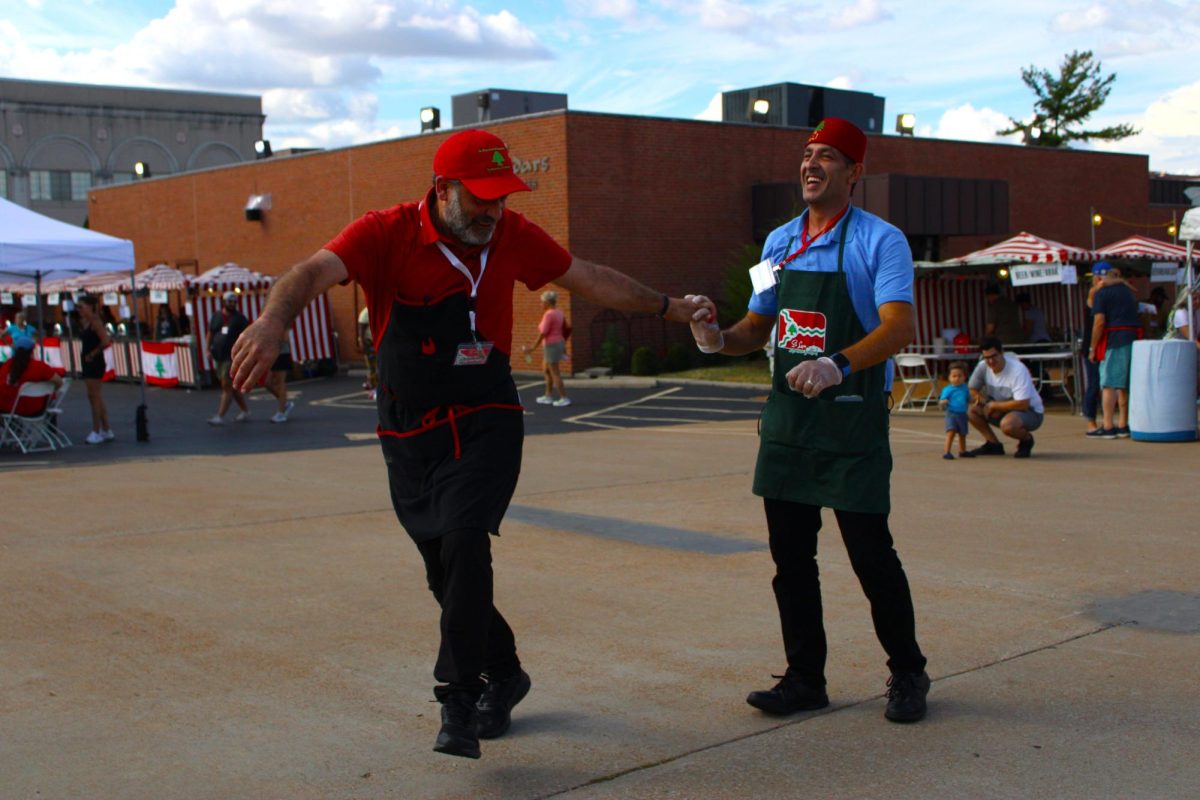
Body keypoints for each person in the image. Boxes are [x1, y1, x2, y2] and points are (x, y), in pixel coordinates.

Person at [229, 128, 701, 759]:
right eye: (481, 198)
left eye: (502, 197)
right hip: (407, 427)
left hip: (486, 415)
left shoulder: (512, 236)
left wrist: (669, 307)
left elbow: (589, 278)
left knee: (464, 541)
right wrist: (273, 318)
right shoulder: (385, 232)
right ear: (443, 189)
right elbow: (311, 271)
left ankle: (457, 695)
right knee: (445, 574)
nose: (495, 210)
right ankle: (505, 672)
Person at [687, 117, 930, 724]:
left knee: (872, 558)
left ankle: (907, 672)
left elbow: (899, 327)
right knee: (791, 563)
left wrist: (838, 364)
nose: (812, 165)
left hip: (851, 424)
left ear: (854, 172)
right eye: (807, 154)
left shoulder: (882, 241)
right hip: (790, 428)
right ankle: (804, 678)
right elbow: (754, 328)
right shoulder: (776, 245)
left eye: (827, 157)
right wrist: (715, 339)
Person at [965, 337, 1043, 458]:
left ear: (1002, 352)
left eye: (993, 356)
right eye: (986, 358)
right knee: (970, 411)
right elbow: (971, 389)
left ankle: (1026, 440)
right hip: (1001, 408)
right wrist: (980, 398)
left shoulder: (1017, 370)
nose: (990, 361)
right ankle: (993, 444)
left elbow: (1023, 404)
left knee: (1008, 425)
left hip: (1030, 412)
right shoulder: (983, 367)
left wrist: (994, 405)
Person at [1088, 263, 1141, 439]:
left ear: (1097, 278)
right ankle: (1123, 424)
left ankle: (1109, 425)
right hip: (1133, 337)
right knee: (1125, 383)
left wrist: (1093, 347)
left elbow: (1099, 322)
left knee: (1109, 384)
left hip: (1114, 339)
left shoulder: (1102, 294)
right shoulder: (1128, 292)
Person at [207, 291, 251, 425]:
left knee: (226, 385)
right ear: (224, 302)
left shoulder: (239, 318)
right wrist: (208, 348)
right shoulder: (217, 316)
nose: (232, 304)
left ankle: (220, 416)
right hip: (219, 355)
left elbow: (247, 335)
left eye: (234, 302)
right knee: (233, 387)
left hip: (231, 356)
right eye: (229, 301)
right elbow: (211, 332)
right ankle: (245, 410)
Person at [521, 289, 571, 407]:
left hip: (551, 345)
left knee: (555, 372)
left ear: (548, 302)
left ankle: (564, 397)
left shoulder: (549, 314)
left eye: (542, 302)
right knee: (546, 370)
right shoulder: (558, 311)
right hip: (557, 343)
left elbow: (543, 333)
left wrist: (532, 348)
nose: (541, 304)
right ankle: (548, 395)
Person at [76, 295, 114, 444]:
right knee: (95, 396)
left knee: (94, 397)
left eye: (81, 306)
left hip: (94, 362)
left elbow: (106, 341)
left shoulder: (95, 322)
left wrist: (93, 354)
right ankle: (106, 428)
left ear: (90, 306)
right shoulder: (85, 322)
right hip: (88, 361)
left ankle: (96, 430)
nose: (79, 310)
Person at [0, 334, 63, 416]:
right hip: (36, 409)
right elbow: (59, 382)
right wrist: (48, 390)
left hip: (9, 408)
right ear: (32, 350)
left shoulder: (7, 365)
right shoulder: (40, 367)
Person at [1082, 268, 1105, 434]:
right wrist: (1092, 348)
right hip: (1091, 347)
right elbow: (1097, 321)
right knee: (1094, 384)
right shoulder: (1093, 294)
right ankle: (1091, 420)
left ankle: (1104, 420)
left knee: (1104, 385)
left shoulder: (1104, 297)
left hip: (1101, 346)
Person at [938, 362, 971, 460]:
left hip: (962, 413)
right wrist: (943, 401)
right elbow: (942, 400)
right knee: (951, 432)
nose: (957, 378)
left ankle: (962, 450)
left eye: (960, 376)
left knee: (962, 433)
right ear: (949, 377)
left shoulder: (965, 388)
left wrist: (973, 400)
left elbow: (968, 398)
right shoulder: (948, 389)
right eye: (954, 376)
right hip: (952, 413)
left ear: (964, 377)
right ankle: (947, 451)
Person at [265, 330, 295, 424]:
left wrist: (270, 340)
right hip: (271, 355)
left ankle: (281, 413)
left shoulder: (281, 324)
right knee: (267, 382)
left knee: (280, 383)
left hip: (281, 354)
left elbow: (285, 339)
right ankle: (285, 403)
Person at [358, 305, 377, 400]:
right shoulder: (366, 312)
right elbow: (361, 330)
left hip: (377, 343)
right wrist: (363, 344)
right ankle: (372, 391)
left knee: (377, 368)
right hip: (370, 344)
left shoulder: (375, 309)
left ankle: (370, 385)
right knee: (373, 368)